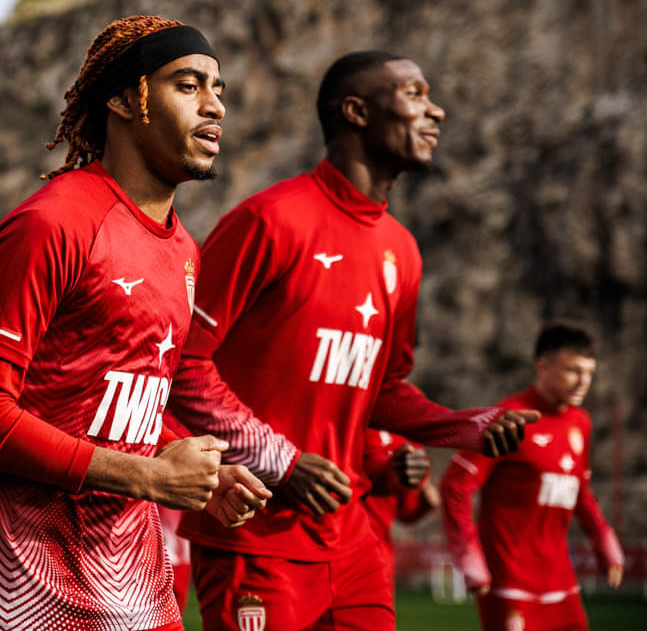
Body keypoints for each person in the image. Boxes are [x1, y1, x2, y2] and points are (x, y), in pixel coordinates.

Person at [164, 50, 541, 630]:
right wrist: (281, 462)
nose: (436, 111)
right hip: (255, 535)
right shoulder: (271, 220)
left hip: (353, 542)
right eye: (414, 94)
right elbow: (179, 364)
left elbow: (384, 390)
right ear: (358, 112)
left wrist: (467, 425)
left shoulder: (403, 251)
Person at [0, 15, 270, 631]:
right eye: (187, 85)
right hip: (16, 593)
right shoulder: (51, 224)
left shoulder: (185, 249)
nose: (215, 106)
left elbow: (112, 404)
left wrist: (184, 462)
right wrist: (149, 477)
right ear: (124, 100)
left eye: (218, 89)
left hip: (133, 591)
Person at [441, 323, 624, 631]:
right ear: (543, 367)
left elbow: (579, 489)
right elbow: (456, 484)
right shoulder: (509, 418)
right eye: (573, 370)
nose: (584, 381)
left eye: (589, 372)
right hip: (508, 583)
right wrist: (468, 554)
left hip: (561, 582)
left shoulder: (580, 422)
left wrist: (604, 539)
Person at [360, 428, 439, 588]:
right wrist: (393, 469)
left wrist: (425, 505)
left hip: (380, 549)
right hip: (344, 542)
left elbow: (405, 513)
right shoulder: (354, 427)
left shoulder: (408, 439)